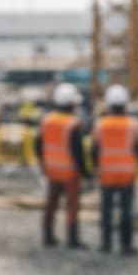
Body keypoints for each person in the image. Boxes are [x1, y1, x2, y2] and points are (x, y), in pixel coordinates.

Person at [92, 84, 138, 255]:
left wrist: (94, 168)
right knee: (126, 211)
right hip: (126, 173)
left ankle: (106, 244)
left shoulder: (100, 125)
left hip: (107, 173)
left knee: (106, 210)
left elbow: (95, 150)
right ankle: (125, 245)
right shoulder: (133, 124)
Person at [40, 82, 88, 248]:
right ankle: (72, 239)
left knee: (51, 203)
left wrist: (43, 163)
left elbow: (38, 145)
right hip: (69, 172)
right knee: (72, 205)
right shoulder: (72, 124)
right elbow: (78, 152)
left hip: (52, 169)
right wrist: (85, 171)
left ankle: (47, 235)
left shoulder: (47, 121)